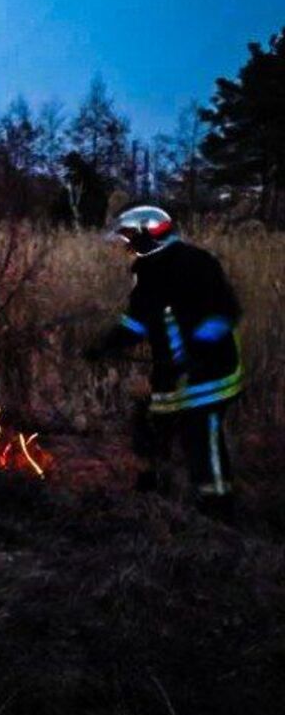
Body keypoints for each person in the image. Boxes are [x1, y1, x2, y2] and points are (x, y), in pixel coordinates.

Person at [82, 205, 243, 519]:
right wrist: (106, 346)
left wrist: (196, 353)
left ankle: (218, 511)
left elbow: (224, 313)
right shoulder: (149, 272)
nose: (126, 245)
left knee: (201, 436)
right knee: (155, 423)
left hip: (211, 373)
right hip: (174, 371)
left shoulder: (196, 263)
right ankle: (153, 490)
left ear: (149, 233)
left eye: (130, 236)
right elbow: (137, 323)